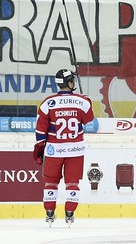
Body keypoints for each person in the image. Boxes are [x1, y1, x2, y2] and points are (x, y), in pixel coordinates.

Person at [33, 69, 95, 226]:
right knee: (72, 182)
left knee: (51, 181)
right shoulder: (82, 102)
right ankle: (69, 213)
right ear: (70, 82)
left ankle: (49, 212)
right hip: (76, 150)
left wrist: (40, 148)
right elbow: (89, 118)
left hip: (54, 150)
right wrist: (86, 99)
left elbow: (40, 130)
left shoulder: (48, 103)